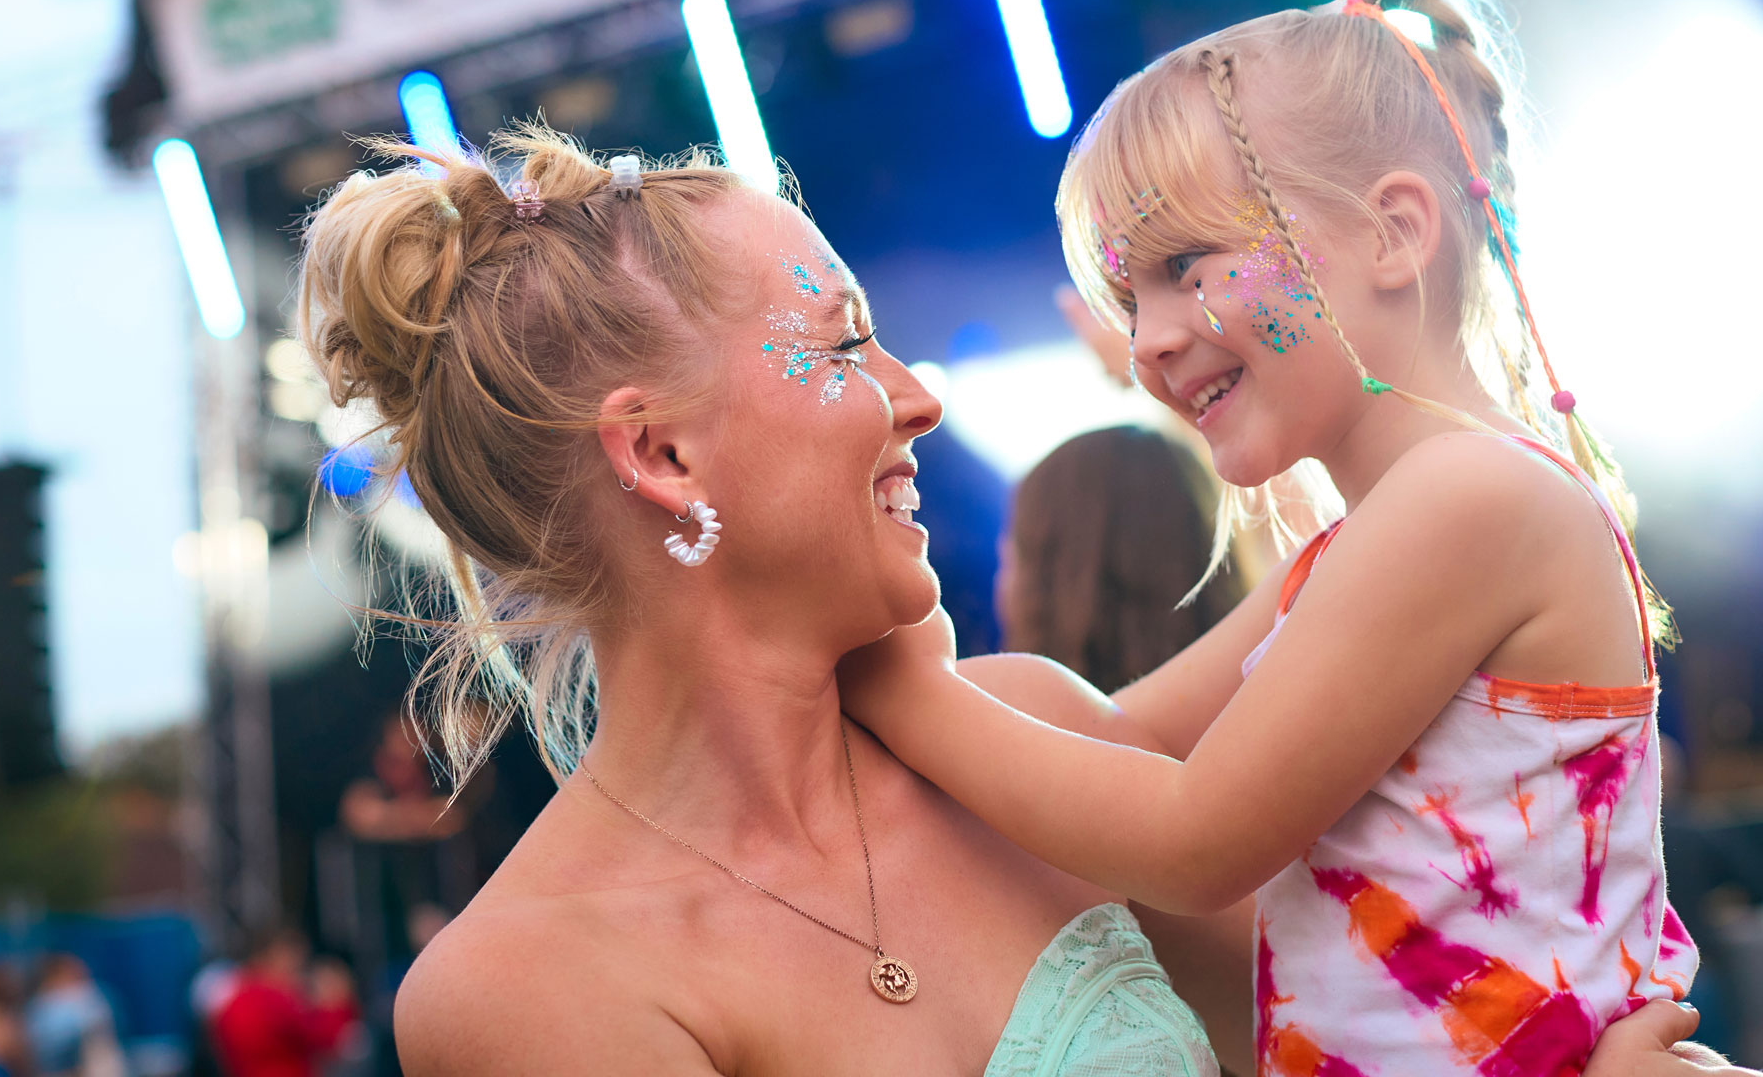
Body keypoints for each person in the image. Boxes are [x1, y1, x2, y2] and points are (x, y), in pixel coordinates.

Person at [295, 126, 1710, 1076]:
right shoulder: (519, 988)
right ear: (658, 454)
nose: (917, 396)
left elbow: (1381, 1042)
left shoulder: (1030, 736)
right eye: (847, 345)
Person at [839, 0, 1733, 1075]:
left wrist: (900, 687)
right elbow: (1114, 738)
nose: (1150, 339)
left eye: (1185, 267)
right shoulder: (1369, 537)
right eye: (1130, 300)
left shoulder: (1472, 500)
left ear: (1391, 233)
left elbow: (1194, 839)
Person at [1000, 425, 1247, 695]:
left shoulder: (996, 721)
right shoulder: (1265, 695)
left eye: (1011, 559)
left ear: (1047, 579)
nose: (1002, 585)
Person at [210, 929, 357, 1077]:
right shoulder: (274, 999)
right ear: (277, 956)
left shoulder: (233, 998)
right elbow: (323, 1037)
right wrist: (337, 1003)